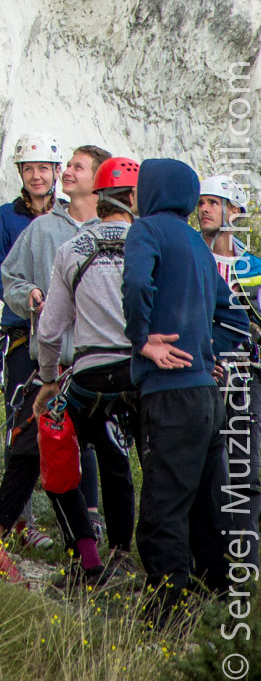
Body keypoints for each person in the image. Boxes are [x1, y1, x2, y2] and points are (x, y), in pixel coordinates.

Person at [0, 144, 113, 578]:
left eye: (70, 167)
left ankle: (98, 544)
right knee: (40, 445)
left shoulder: (108, 234)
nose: (46, 175)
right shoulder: (28, 227)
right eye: (30, 168)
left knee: (89, 450)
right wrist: (25, 298)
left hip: (94, 361)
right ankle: (15, 531)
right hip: (44, 351)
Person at [122, 157, 249, 620]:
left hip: (170, 393)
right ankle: (218, 611)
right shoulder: (199, 245)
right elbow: (235, 317)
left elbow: (136, 282)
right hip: (206, 399)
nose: (135, 196)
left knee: (161, 513)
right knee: (204, 509)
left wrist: (143, 341)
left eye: (140, 186)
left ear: (154, 191)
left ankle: (168, 616)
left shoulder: (148, 230)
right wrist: (207, 354)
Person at [33, 157, 142, 587]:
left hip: (90, 373)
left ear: (99, 196)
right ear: (133, 198)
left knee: (59, 458)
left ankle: (87, 557)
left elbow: (50, 329)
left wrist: (47, 379)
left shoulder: (72, 249)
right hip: (140, 372)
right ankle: (125, 554)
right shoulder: (148, 243)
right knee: (128, 465)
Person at [0, 134, 62, 541]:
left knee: (74, 424)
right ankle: (22, 520)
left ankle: (83, 522)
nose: (36, 176)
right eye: (29, 169)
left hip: (65, 332)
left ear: (56, 172)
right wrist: (21, 293)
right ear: (21, 174)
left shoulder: (67, 219)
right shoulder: (6, 218)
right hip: (20, 331)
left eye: (43, 168)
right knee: (21, 424)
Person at [197, 175, 260, 573]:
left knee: (244, 470)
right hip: (200, 375)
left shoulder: (251, 266)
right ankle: (208, 565)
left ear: (233, 212)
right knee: (204, 470)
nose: (203, 209)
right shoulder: (190, 255)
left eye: (213, 202)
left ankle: (246, 567)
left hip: (244, 376)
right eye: (200, 202)